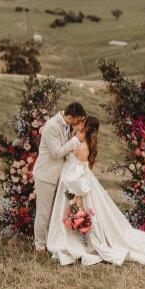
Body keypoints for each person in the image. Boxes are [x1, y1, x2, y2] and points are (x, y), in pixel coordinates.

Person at [46, 116, 145, 266]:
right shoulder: (79, 142)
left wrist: (75, 196)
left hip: (79, 185)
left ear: (85, 127)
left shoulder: (82, 147)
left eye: (81, 123)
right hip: (78, 182)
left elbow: (78, 174)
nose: (77, 124)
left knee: (89, 214)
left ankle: (87, 240)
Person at [32, 102, 86, 252]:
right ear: (70, 116)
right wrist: (75, 141)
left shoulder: (67, 125)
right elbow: (56, 153)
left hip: (57, 176)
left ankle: (50, 242)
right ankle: (39, 245)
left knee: (53, 213)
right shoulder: (51, 127)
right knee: (44, 212)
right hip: (46, 175)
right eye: (77, 120)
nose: (77, 124)